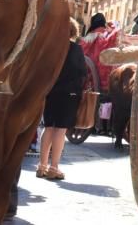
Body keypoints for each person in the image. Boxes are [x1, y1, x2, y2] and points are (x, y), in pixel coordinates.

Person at [37, 18, 87, 181]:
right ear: (73, 32)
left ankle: (41, 166)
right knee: (60, 130)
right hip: (69, 94)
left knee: (49, 127)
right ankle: (54, 167)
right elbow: (82, 73)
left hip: (51, 92)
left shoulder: (50, 49)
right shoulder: (76, 49)